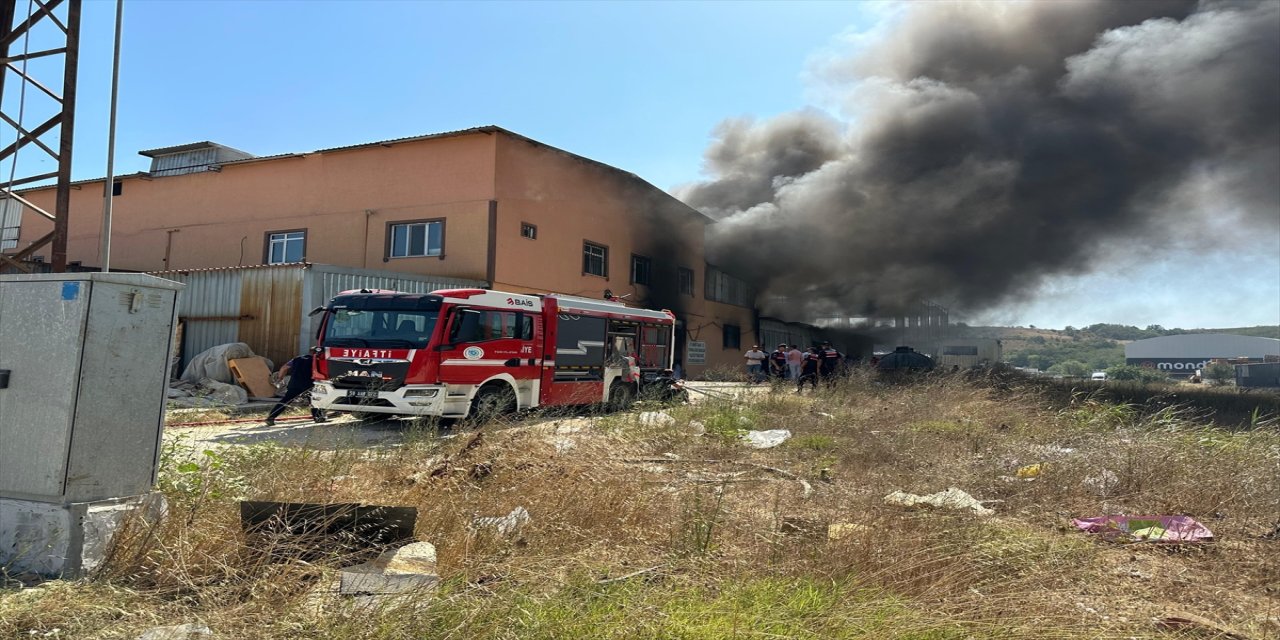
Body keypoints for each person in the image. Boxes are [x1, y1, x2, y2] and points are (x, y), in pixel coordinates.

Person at [265, 351, 325, 426]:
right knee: (314, 401)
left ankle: (271, 417)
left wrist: (280, 378)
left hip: (294, 383)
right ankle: (318, 417)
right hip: (308, 384)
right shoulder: (316, 359)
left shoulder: (297, 358)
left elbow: (284, 367)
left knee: (285, 401)